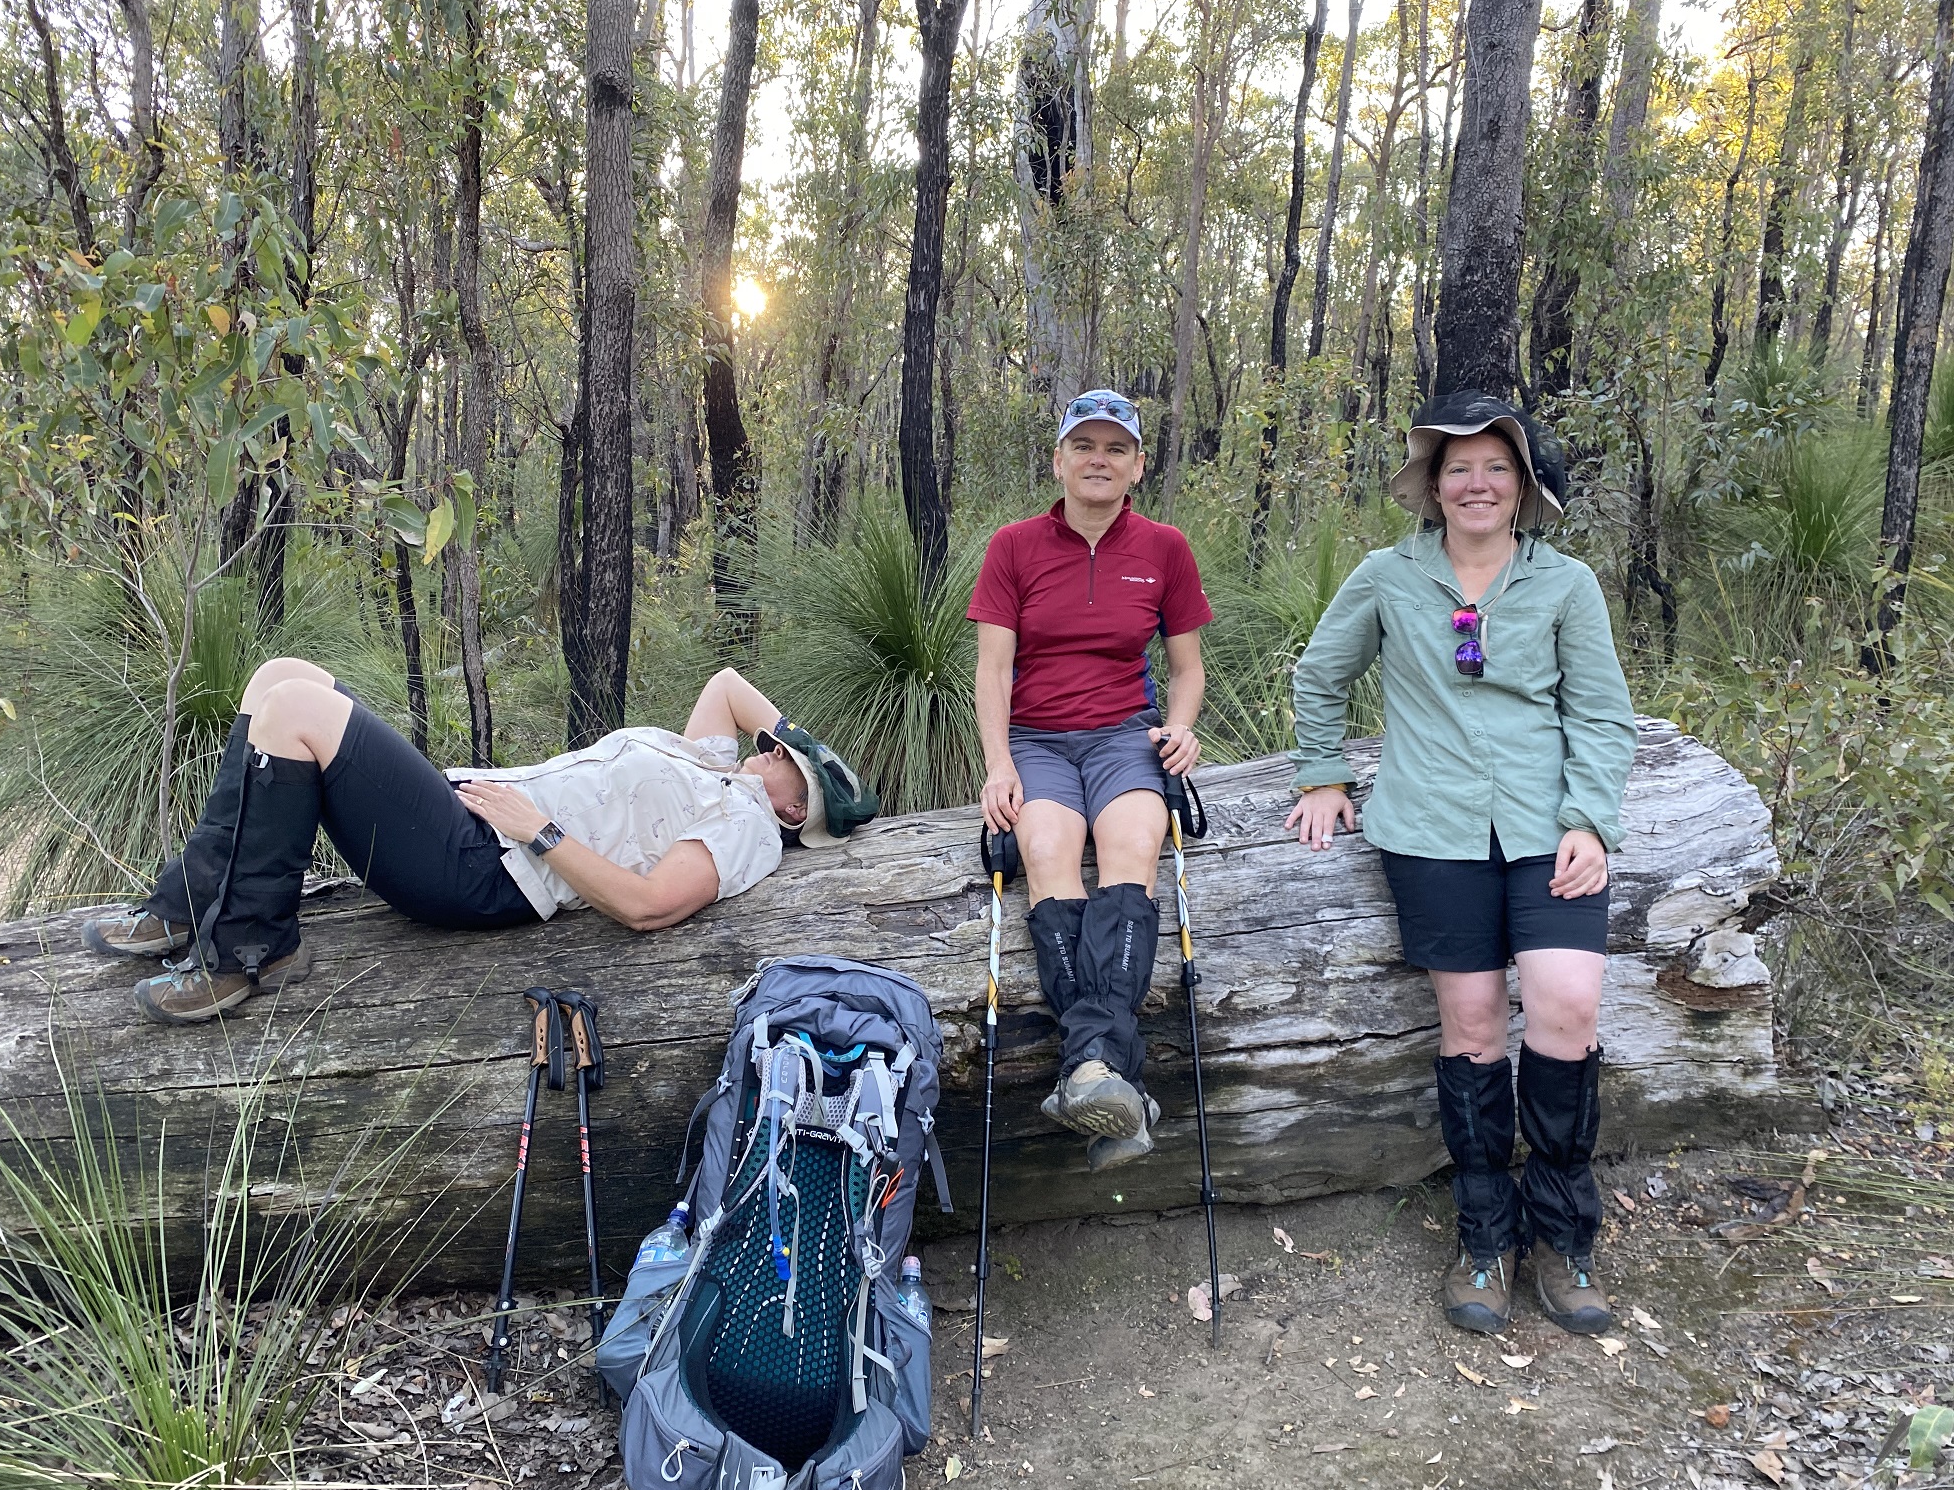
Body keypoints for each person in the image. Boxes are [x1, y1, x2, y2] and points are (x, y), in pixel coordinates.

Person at [1283, 390, 1637, 1336]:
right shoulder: (1387, 578)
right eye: (1458, 468)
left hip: (1545, 828)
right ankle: (1484, 1237)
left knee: (1566, 1007)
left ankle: (1563, 1236)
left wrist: (1591, 820)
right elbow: (1320, 673)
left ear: (1521, 488)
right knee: (1473, 1026)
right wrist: (1323, 774)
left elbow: (1601, 714)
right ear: (1433, 488)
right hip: (1432, 830)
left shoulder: (1565, 586)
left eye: (1496, 467)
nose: (1476, 483)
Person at [84, 662, 877, 1025]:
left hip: (484, 870)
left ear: (790, 818)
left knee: (294, 709)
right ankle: (188, 906)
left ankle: (249, 950)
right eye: (777, 745)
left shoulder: (744, 832)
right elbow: (729, 685)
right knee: (282, 677)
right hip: (472, 821)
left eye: (789, 767)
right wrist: (802, 741)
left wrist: (540, 830)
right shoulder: (716, 768)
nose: (773, 750)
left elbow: (646, 907)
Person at [968, 389, 1211, 1173]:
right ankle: (1111, 1083)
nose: (1098, 460)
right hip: (1037, 739)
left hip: (1120, 736)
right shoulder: (1014, 546)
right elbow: (994, 668)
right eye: (1084, 446)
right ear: (1059, 461)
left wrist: (1180, 726)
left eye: (1115, 448)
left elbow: (1186, 669)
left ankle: (1087, 1068)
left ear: (1138, 464)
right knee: (1045, 852)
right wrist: (999, 763)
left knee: (1132, 848)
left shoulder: (1165, 549)